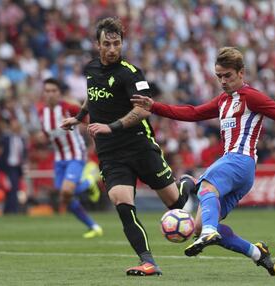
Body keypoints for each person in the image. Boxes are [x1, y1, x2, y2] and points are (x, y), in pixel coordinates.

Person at [131, 46, 275, 276]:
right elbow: (192, 112)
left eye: (227, 75)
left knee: (206, 189)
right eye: (219, 76)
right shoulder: (222, 101)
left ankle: (195, 194)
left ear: (241, 73)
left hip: (240, 160)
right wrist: (154, 106)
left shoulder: (252, 97)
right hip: (240, 172)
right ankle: (258, 253)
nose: (223, 81)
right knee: (198, 227)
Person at [60, 17, 195, 276]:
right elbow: (93, 96)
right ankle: (148, 262)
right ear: (97, 45)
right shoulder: (91, 69)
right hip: (110, 154)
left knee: (175, 205)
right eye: (107, 44)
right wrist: (78, 118)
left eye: (117, 43)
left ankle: (186, 186)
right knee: (122, 204)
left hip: (139, 145)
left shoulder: (130, 73)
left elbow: (144, 110)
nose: (112, 49)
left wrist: (111, 126)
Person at [37, 78, 102, 238]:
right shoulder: (41, 113)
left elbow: (90, 121)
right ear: (43, 93)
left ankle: (90, 180)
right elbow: (47, 135)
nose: (50, 94)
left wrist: (94, 141)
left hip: (76, 154)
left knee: (67, 190)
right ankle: (93, 226)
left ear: (59, 93)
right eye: (47, 91)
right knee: (64, 197)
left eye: (54, 91)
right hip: (59, 158)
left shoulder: (69, 108)